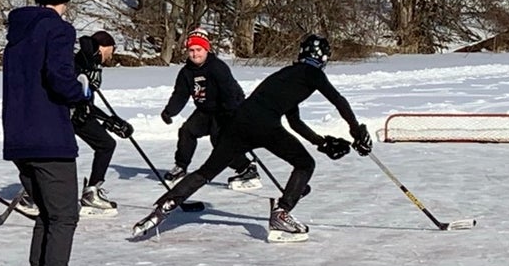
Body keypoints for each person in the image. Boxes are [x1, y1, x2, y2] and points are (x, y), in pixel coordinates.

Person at [139, 32, 371, 242]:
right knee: (305, 164)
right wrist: (356, 131)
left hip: (238, 122)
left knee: (206, 171)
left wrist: (320, 142)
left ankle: (162, 207)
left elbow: (294, 121)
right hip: (264, 124)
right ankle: (282, 213)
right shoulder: (313, 73)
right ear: (323, 59)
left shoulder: (287, 74)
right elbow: (338, 100)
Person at [1, 0, 95, 266]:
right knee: (66, 216)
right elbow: (60, 80)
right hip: (49, 137)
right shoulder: (58, 29)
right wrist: (82, 89)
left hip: (19, 138)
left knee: (47, 216)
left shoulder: (18, 31)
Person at [159, 27, 258, 190]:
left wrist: (231, 114)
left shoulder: (217, 67)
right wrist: (169, 111)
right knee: (187, 131)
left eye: (198, 49)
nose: (195, 54)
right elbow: (180, 94)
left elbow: (230, 92)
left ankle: (247, 168)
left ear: (206, 49)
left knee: (219, 141)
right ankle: (181, 167)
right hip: (205, 110)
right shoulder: (186, 72)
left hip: (226, 108)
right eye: (191, 50)